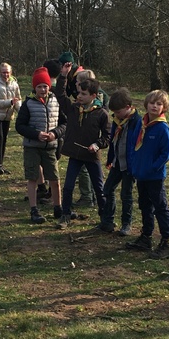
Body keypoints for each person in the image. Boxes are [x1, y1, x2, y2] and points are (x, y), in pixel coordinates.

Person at [126, 90, 169, 259]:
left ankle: (166, 241)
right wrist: (134, 165)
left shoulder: (162, 128)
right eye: (152, 103)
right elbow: (133, 144)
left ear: (164, 108)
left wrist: (153, 167)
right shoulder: (141, 124)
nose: (155, 106)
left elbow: (165, 153)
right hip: (140, 174)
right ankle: (146, 237)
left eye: (159, 104)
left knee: (160, 207)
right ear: (146, 104)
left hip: (154, 176)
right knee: (145, 205)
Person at [57, 76, 109, 229]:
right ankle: (65, 214)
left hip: (91, 156)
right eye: (79, 93)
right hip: (75, 155)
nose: (79, 96)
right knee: (68, 187)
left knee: (99, 188)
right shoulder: (73, 109)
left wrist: (97, 145)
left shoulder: (101, 114)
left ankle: (105, 217)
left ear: (93, 96)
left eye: (83, 94)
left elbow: (108, 136)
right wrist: (63, 76)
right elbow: (60, 95)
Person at [16, 67, 66, 224]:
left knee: (55, 179)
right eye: (39, 86)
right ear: (34, 88)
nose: (43, 89)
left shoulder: (56, 101)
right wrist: (36, 134)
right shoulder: (28, 103)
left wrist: (55, 133)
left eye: (45, 86)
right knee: (32, 178)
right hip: (32, 147)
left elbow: (64, 122)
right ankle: (34, 209)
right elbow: (20, 126)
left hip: (51, 147)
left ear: (49, 86)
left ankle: (58, 208)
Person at [97, 88, 139, 235]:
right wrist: (110, 159)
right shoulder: (116, 120)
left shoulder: (137, 122)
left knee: (126, 195)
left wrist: (135, 165)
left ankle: (126, 224)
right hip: (117, 163)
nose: (116, 115)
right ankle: (107, 221)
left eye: (118, 112)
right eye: (114, 112)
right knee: (107, 190)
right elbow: (114, 142)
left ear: (128, 108)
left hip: (129, 166)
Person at [0, 62, 21, 175]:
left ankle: (1, 164)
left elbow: (18, 100)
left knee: (4, 139)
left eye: (7, 72)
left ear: (11, 72)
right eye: (3, 72)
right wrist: (9, 102)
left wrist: (21, 112)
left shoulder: (14, 84)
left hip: (8, 116)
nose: (5, 75)